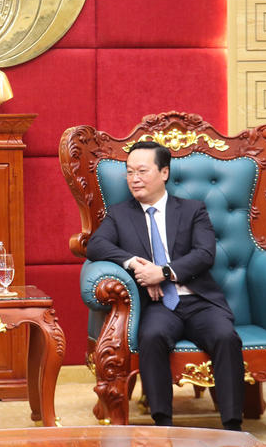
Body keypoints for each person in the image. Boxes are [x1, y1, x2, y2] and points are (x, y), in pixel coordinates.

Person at [86, 141, 245, 431]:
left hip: (198, 300)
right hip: (158, 305)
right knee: (153, 336)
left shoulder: (192, 209)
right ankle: (163, 423)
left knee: (226, 337)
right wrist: (136, 264)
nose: (135, 178)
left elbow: (205, 254)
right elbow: (96, 245)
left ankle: (233, 425)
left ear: (164, 173)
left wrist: (164, 272)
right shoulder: (120, 214)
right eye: (129, 172)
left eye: (142, 171)